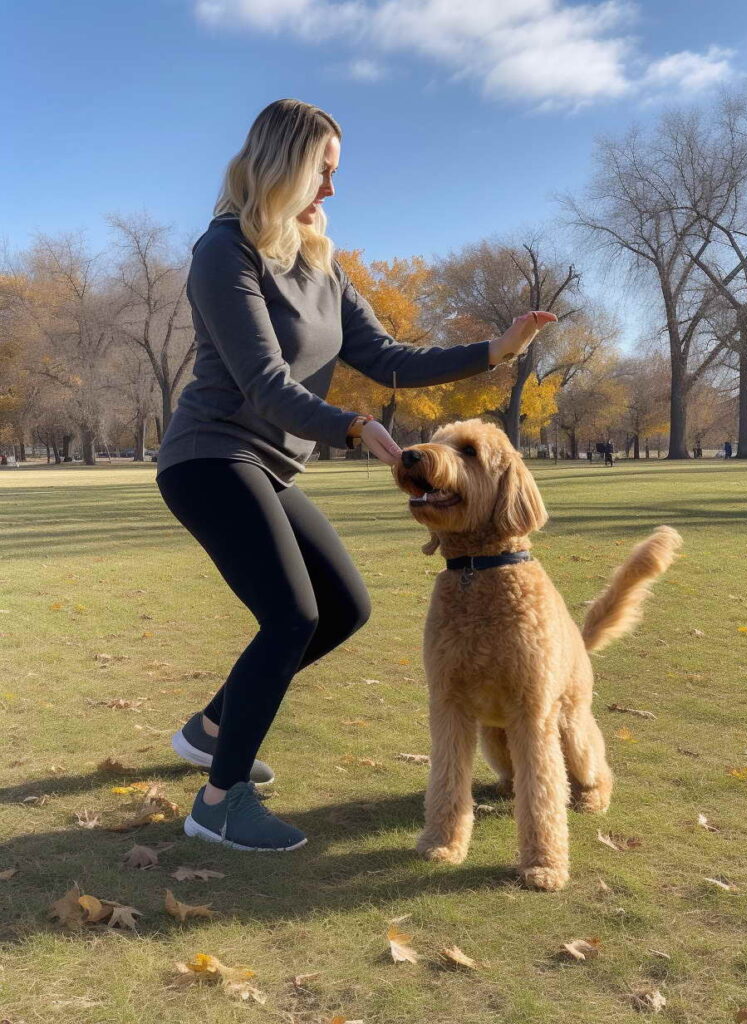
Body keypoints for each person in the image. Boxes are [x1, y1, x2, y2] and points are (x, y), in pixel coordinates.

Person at [154, 98, 557, 853]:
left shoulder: (318, 261)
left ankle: (212, 728)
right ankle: (218, 800)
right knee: (291, 616)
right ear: (283, 164)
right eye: (324, 171)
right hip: (210, 455)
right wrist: (350, 426)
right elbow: (263, 381)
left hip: (268, 466)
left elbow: (389, 359)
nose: (332, 190)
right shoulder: (224, 253)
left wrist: (493, 349)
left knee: (342, 607)